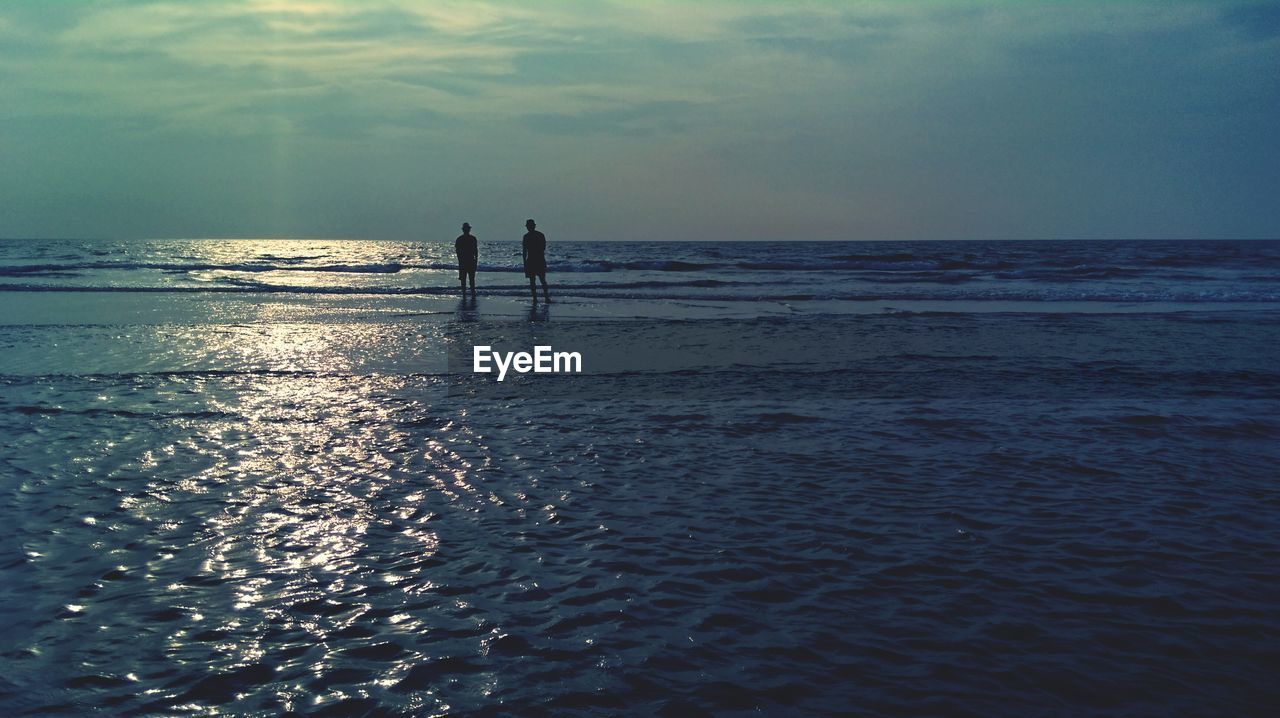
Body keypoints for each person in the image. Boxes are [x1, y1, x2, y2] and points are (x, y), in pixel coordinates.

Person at [522, 218, 550, 302]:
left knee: (536, 280)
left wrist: (525, 262)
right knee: (539, 280)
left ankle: (538, 298)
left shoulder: (527, 236)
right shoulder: (540, 235)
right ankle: (543, 298)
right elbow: (543, 248)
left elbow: (525, 251)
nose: (528, 228)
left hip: (534, 260)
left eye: (529, 226)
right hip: (537, 259)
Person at [455, 222, 478, 293]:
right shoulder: (472, 238)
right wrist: (476, 260)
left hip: (465, 261)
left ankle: (465, 294)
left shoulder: (459, 239)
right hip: (469, 261)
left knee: (464, 279)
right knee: (470, 279)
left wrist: (460, 261)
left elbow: (458, 252)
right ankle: (472, 293)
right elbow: (476, 251)